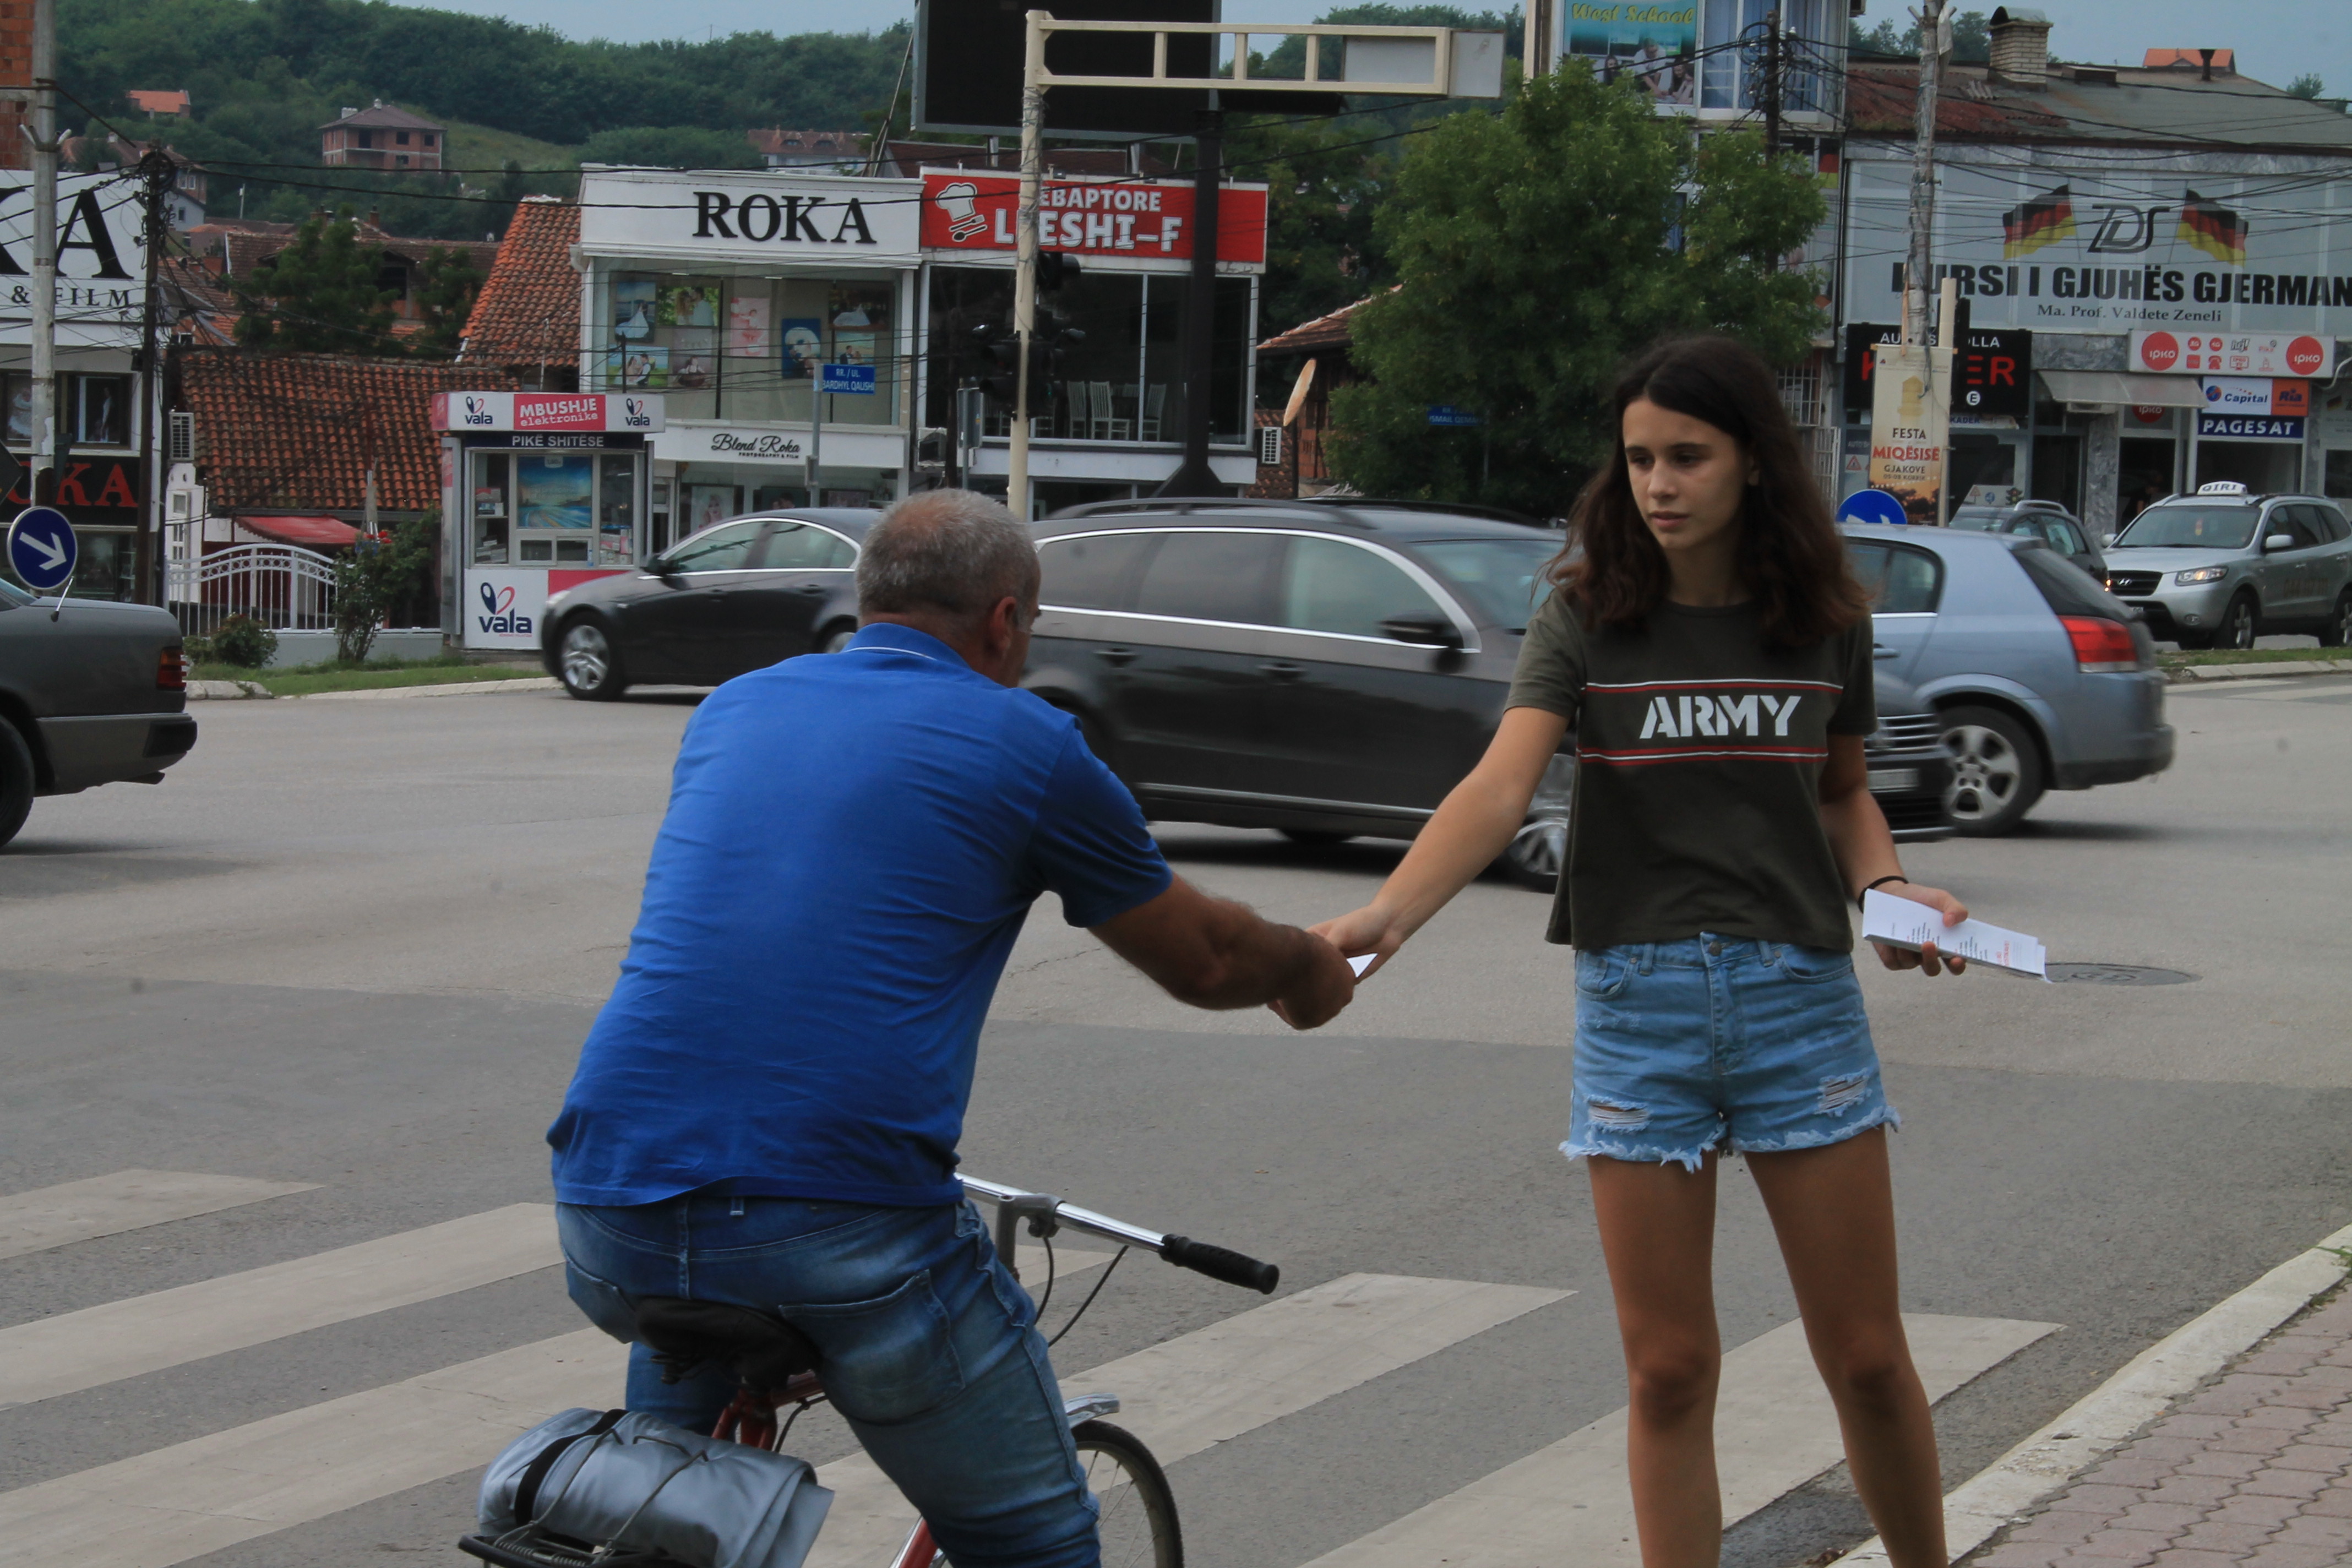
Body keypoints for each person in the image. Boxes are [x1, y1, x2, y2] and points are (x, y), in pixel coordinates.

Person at [547, 490, 1355, 1568]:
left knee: (665, 1515)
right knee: (1043, 1540)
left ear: (868, 598)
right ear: (1006, 620)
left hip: (610, 1210)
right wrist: (1307, 967)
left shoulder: (733, 709)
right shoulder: (1029, 742)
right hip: (837, 1222)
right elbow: (1206, 957)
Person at [1309, 337, 1968, 1568]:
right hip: (1638, 1007)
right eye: (1640, 459)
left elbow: (1843, 795)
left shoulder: (1820, 619)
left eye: (1688, 457)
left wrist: (1888, 891)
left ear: (1753, 465)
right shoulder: (1588, 612)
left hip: (1799, 1004)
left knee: (1868, 1354)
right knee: (1669, 1368)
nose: (1659, 483)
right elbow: (1502, 786)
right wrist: (1383, 917)